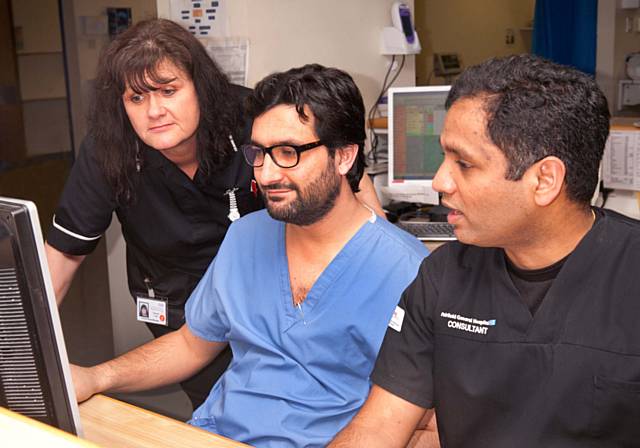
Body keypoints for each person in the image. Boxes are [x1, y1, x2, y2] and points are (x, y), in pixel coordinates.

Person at [71, 64, 429, 447]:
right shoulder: (246, 237)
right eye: (259, 153)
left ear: (343, 157)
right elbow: (191, 344)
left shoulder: (406, 270)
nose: (267, 174)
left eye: (289, 152)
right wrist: (97, 377)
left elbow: (425, 423)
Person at [45, 19, 382, 410]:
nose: (155, 111)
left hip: (268, 295)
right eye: (136, 98)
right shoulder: (109, 150)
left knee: (292, 401)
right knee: (222, 407)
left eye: (169, 91)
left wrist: (382, 253)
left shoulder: (250, 120)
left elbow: (349, 180)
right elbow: (64, 255)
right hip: (178, 302)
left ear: (199, 87)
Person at [331, 54, 640, 448]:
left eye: (464, 163)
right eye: (445, 157)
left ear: (544, 180)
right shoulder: (442, 277)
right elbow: (378, 427)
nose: (440, 181)